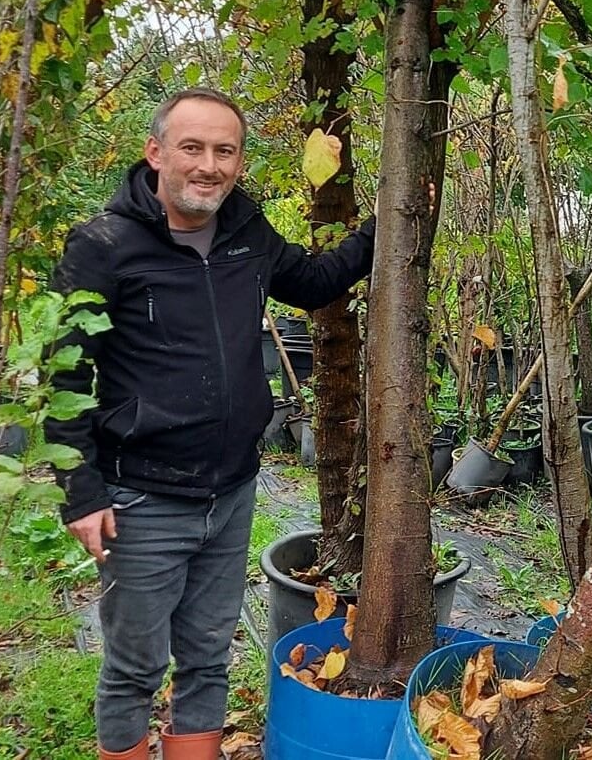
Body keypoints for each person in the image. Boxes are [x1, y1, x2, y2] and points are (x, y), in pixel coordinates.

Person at [46, 89, 375, 760]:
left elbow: (312, 282)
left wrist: (386, 226)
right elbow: (64, 379)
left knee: (206, 657)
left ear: (239, 160)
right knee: (135, 668)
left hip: (231, 494)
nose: (209, 164)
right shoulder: (103, 245)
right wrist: (79, 492)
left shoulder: (244, 231)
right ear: (156, 151)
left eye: (225, 150)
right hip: (140, 496)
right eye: (192, 147)